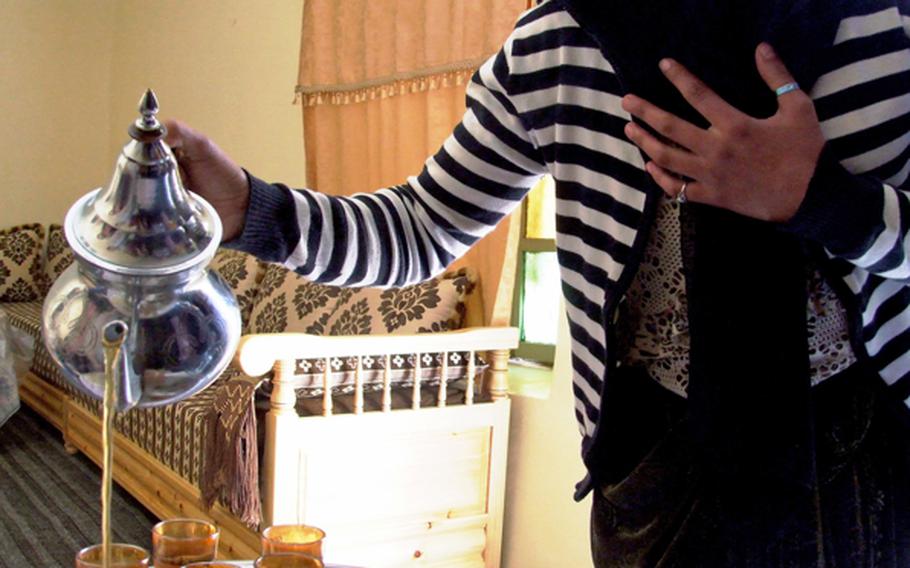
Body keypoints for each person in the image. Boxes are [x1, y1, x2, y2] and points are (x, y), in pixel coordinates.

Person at [166, 0, 910, 565]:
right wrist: (249, 209)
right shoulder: (556, 39)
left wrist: (824, 203)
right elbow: (422, 227)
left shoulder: (884, 25)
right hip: (644, 470)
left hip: (868, 467)